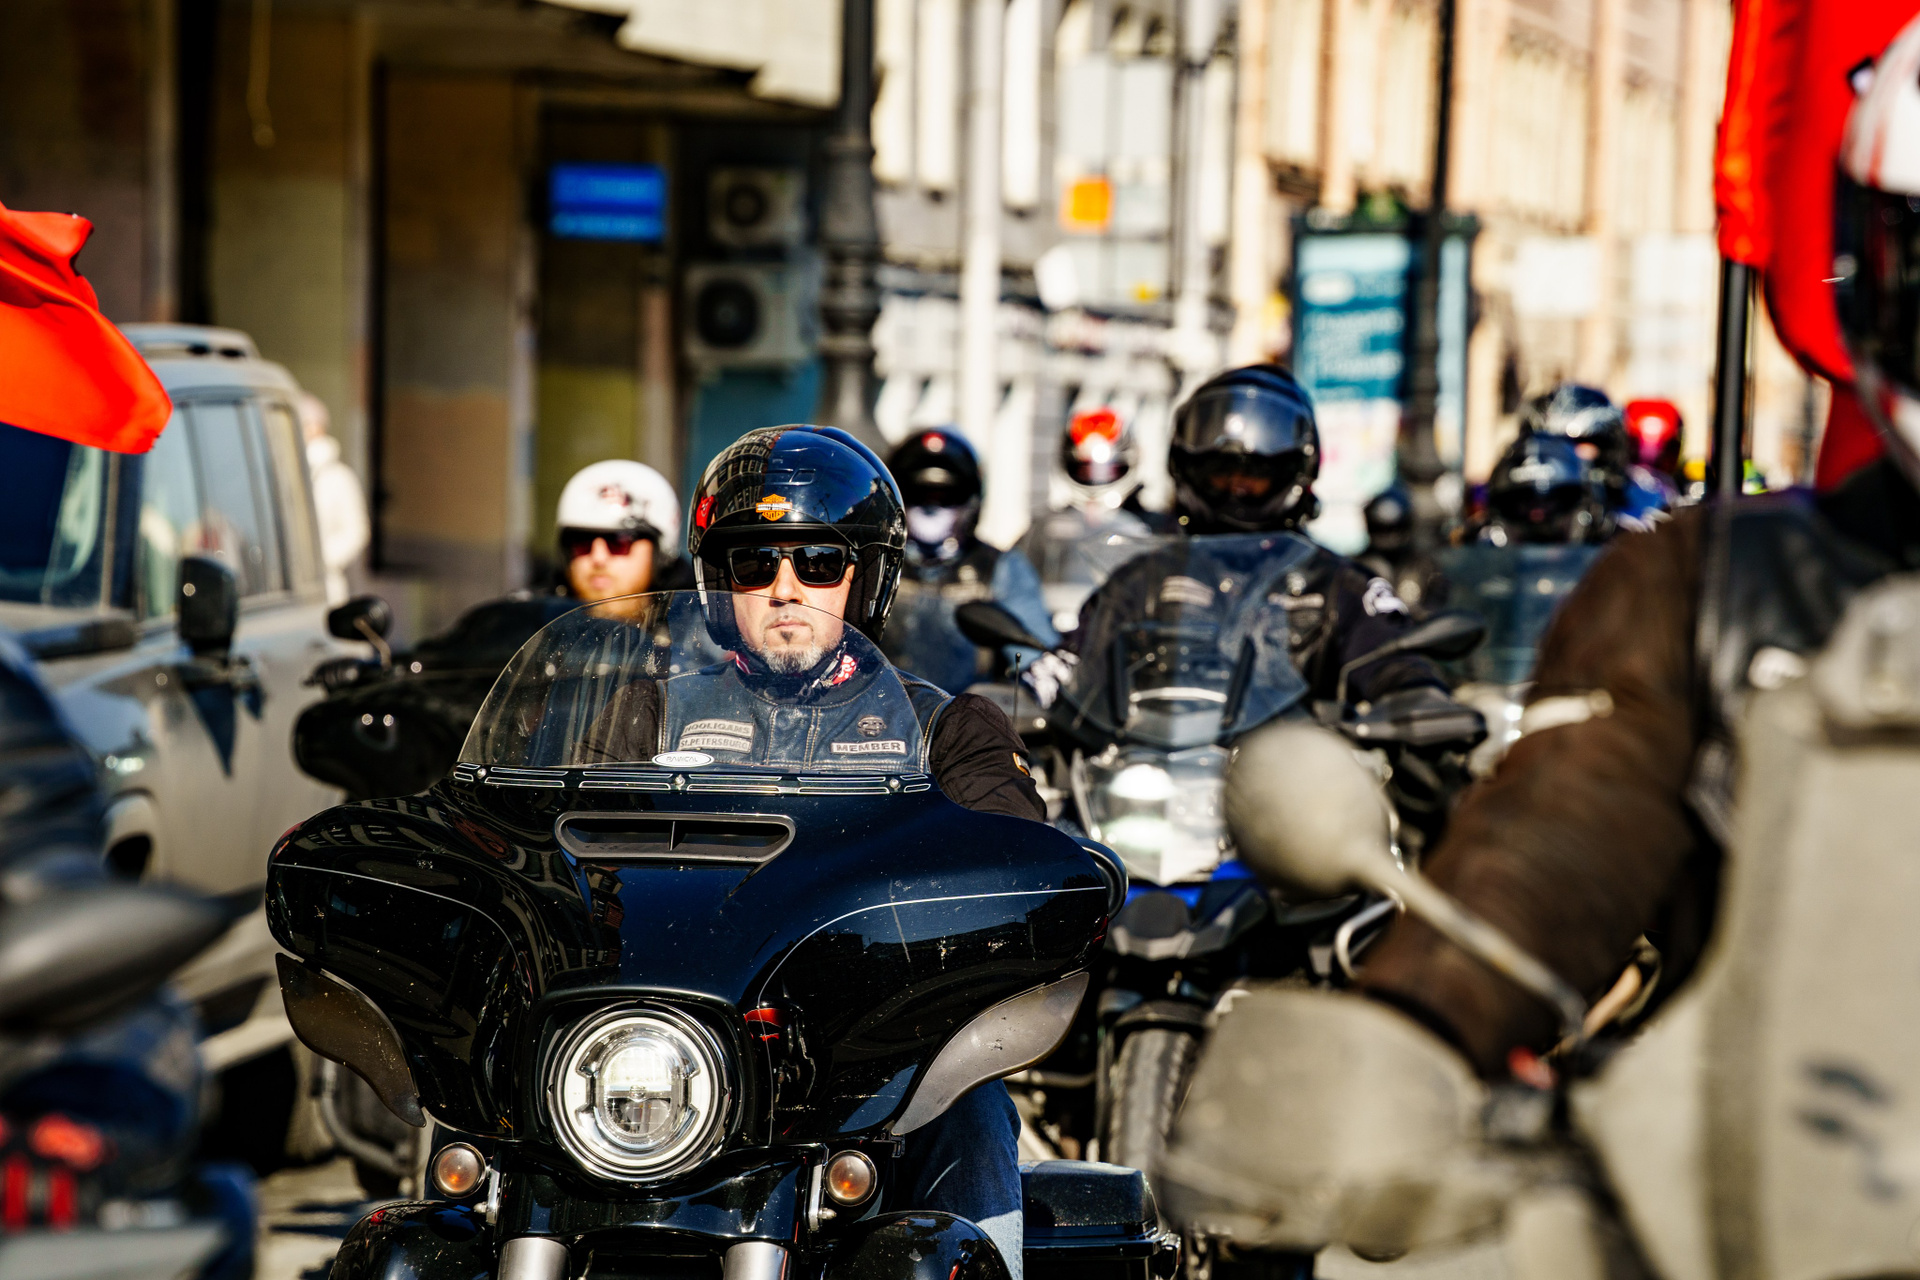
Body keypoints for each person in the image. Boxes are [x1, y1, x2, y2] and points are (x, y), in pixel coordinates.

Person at [1356, 41, 1920, 1077]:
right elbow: (1552, 848)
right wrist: (1399, 1050)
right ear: (1872, 271)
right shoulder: (1713, 587)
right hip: (1775, 1137)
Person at [582, 424, 1042, 1276]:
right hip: (674, 1043)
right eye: (754, 564)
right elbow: (559, 858)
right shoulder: (647, 715)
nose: (785, 589)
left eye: (819, 563)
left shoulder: (948, 730)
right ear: (718, 582)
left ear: (865, 577)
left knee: (972, 1111)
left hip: (877, 1055)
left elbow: (1019, 874)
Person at [880, 428, 1058, 694]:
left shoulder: (999, 567)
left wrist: (1043, 676)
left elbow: (1036, 654)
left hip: (967, 713)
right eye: (918, 494)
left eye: (946, 497)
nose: (931, 507)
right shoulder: (875, 561)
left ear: (971, 503)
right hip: (877, 711)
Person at [1017, 407, 1161, 632]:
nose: (1096, 478)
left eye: (1108, 470)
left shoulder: (1151, 527)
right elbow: (1017, 579)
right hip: (1052, 631)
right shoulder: (1046, 526)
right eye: (1085, 469)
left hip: (1120, 634)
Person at [555, 459, 687, 605]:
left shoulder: (698, 615)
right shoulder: (540, 616)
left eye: (619, 542)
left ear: (660, 554)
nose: (598, 558)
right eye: (582, 541)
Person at [1474, 432, 1615, 547]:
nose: (1537, 515)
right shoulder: (1481, 560)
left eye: (1549, 504)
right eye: (1525, 505)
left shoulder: (1611, 559)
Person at [299, 392, 370, 604]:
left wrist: (322, 558)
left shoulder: (339, 477)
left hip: (326, 586)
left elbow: (357, 530)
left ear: (315, 427)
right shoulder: (288, 471)